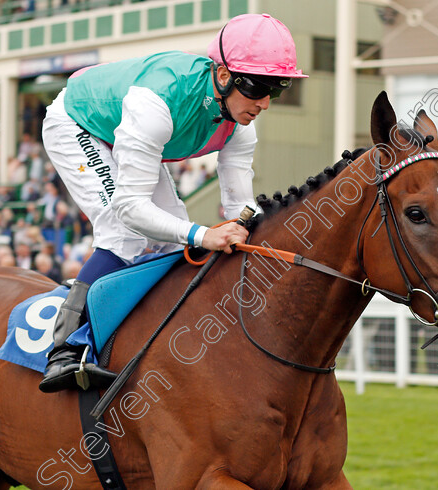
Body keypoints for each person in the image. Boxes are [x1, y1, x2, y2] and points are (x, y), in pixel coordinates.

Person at [38, 13, 305, 392]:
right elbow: (130, 208)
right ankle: (63, 350)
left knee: (171, 238)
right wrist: (202, 235)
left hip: (130, 132)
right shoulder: (157, 102)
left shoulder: (241, 123)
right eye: (258, 88)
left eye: (276, 90)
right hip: (79, 122)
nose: (264, 103)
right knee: (122, 230)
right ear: (225, 75)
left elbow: (240, 207)